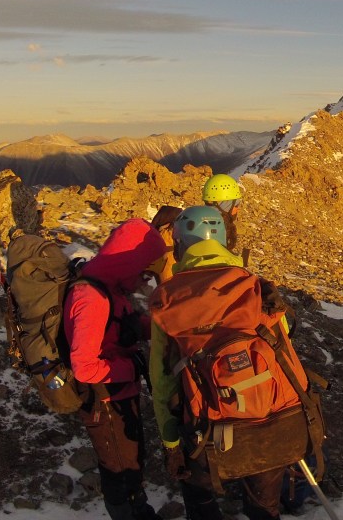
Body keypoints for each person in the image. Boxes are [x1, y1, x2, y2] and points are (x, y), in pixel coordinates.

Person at [149, 203, 294, 520]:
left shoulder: (166, 301)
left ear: (181, 245)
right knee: (264, 509)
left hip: (205, 427)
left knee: (200, 502)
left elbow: (162, 384)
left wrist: (171, 444)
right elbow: (282, 348)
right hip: (265, 417)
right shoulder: (254, 286)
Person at [64, 218, 167, 520]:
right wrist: (132, 367)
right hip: (105, 402)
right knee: (121, 472)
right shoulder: (91, 297)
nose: (144, 282)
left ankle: (140, 511)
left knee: (132, 462)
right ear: (128, 263)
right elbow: (84, 367)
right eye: (143, 273)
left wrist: (168, 327)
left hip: (119, 396)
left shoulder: (112, 289)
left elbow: (126, 326)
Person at [201, 173, 242, 252]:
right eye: (236, 206)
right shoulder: (218, 229)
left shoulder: (199, 221)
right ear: (224, 206)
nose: (237, 209)